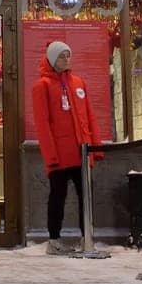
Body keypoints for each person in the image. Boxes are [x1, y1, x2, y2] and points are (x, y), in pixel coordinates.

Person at [31, 41, 100, 255]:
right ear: (52, 59)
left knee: (86, 197)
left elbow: (89, 117)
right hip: (60, 155)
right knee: (57, 196)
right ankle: (54, 239)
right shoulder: (41, 86)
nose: (67, 60)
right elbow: (43, 124)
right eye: (62, 56)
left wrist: (94, 148)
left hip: (81, 151)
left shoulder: (79, 83)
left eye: (69, 55)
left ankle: (86, 237)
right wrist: (50, 155)